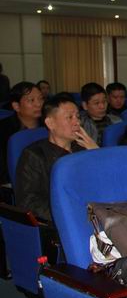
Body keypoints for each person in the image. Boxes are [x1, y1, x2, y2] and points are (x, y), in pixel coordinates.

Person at [15, 94, 98, 222]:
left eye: (77, 117)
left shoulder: (83, 149)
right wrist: (68, 215)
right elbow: (28, 201)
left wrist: (97, 154)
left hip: (93, 214)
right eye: (69, 117)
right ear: (50, 123)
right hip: (59, 221)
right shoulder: (34, 155)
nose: (77, 122)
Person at [0, 82, 43, 184]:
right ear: (16, 106)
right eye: (31, 100)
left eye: (41, 98)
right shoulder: (3, 130)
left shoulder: (49, 125)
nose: (39, 104)